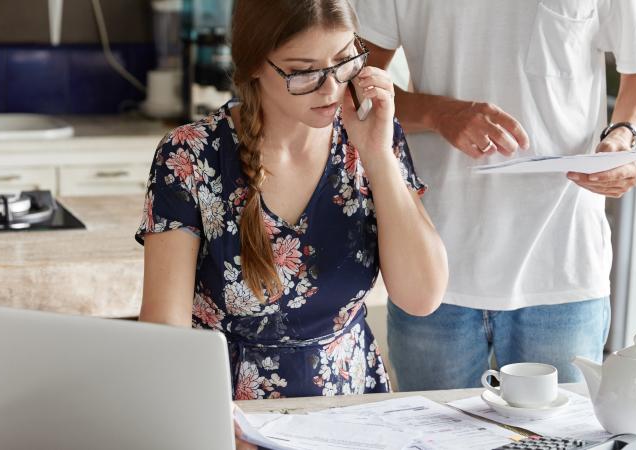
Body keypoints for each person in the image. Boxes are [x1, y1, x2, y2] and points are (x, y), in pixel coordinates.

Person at [135, 0, 447, 402]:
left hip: (351, 406)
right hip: (228, 412)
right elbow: (165, 331)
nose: (331, 87)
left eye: (343, 61)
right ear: (252, 66)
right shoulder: (190, 156)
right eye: (303, 72)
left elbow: (422, 297)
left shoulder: (372, 139)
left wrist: (378, 156)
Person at [354, 0, 636, 390]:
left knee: (560, 439)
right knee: (432, 439)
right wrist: (438, 113)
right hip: (433, 266)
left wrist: (624, 136)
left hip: (562, 267)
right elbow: (355, 81)